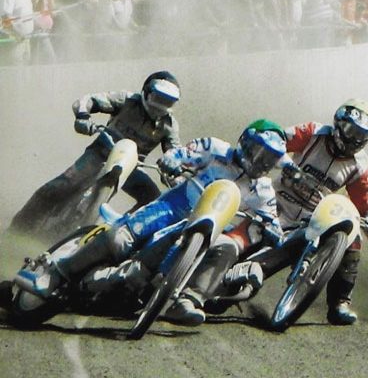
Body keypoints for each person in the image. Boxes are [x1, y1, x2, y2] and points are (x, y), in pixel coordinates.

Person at [15, 120, 287, 318]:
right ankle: (56, 273)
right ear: (245, 141)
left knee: (226, 248)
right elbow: (180, 154)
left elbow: (272, 220)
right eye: (259, 151)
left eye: (270, 159)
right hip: (175, 206)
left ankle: (189, 300)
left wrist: (273, 231)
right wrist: (172, 160)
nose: (261, 162)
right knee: (120, 239)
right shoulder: (215, 148)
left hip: (207, 231)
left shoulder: (263, 190)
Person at [9, 71, 182, 237]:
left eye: (168, 102)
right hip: (101, 152)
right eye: (158, 98)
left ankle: (121, 233)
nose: (160, 106)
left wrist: (173, 167)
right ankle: (17, 229)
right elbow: (88, 100)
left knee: (153, 198)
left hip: (132, 167)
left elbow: (175, 152)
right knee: (60, 186)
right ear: (146, 92)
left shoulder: (170, 125)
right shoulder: (127, 100)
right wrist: (83, 116)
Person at [271, 98, 368, 325]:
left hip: (311, 219)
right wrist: (288, 166)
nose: (355, 139)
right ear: (338, 122)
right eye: (351, 131)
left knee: (353, 236)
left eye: (362, 135)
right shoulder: (313, 132)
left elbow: (366, 207)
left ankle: (339, 303)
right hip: (275, 204)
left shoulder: (360, 165)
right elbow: (273, 141)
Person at [0, 0, 34, 65]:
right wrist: (17, 35)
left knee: (27, 69)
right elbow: (5, 20)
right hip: (15, 41)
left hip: (27, 39)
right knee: (16, 69)